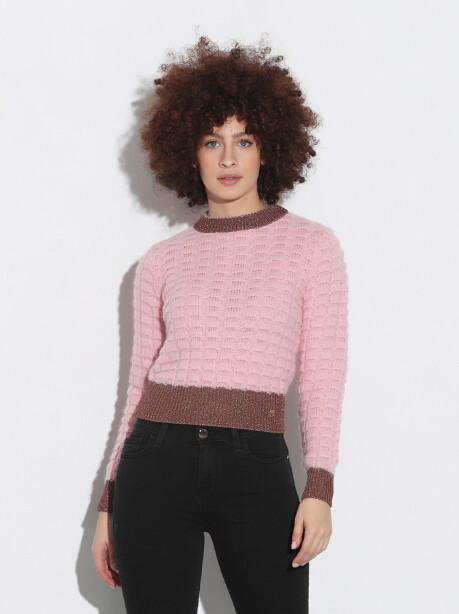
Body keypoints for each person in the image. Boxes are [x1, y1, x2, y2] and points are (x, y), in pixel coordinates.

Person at [92, 34, 348, 614]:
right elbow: (137, 389)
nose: (228, 158)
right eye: (212, 141)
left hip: (256, 465)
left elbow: (323, 375)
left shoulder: (313, 247)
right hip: (154, 463)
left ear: (268, 148)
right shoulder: (161, 261)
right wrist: (108, 502)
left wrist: (320, 486)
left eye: (244, 140)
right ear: (190, 152)